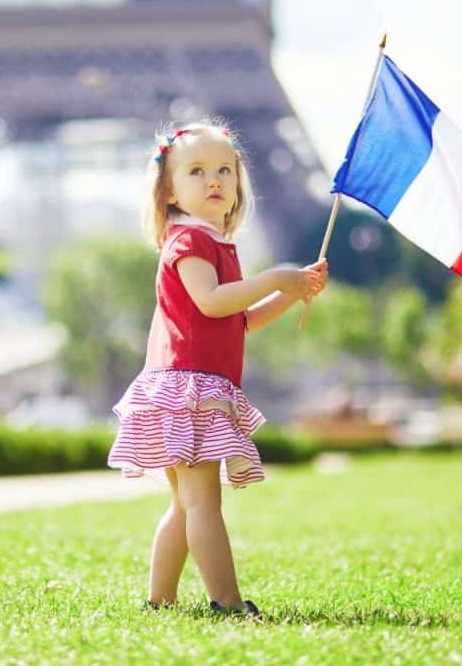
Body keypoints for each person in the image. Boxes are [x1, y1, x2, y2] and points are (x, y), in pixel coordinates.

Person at [107, 121, 328, 617]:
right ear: (168, 191)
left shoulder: (214, 243)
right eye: (198, 170)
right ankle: (226, 603)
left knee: (188, 504)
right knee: (204, 502)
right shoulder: (188, 243)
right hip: (187, 388)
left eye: (225, 170)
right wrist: (275, 275)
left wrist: (290, 293)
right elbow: (210, 302)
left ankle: (159, 601)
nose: (214, 179)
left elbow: (239, 320)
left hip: (185, 386)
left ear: (238, 184)